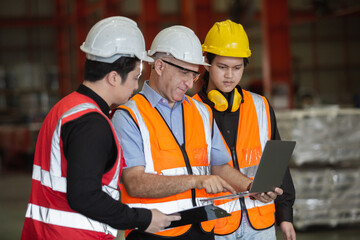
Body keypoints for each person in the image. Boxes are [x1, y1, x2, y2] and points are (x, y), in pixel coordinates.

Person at [111, 25, 283, 240]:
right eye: (183, 72)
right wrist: (196, 181)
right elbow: (134, 182)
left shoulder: (201, 112)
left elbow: (219, 166)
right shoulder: (129, 116)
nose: (189, 82)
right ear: (160, 66)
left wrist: (251, 186)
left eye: (193, 74)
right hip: (155, 231)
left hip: (202, 228)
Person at [20, 16, 180, 240]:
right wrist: (143, 219)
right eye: (135, 77)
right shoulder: (91, 123)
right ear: (114, 77)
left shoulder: (65, 107)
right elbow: (85, 196)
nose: (136, 86)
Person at [192, 20, 296, 240]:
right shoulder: (191, 110)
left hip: (261, 222)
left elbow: (277, 162)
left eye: (237, 68)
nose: (230, 75)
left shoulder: (260, 106)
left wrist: (285, 215)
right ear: (207, 64)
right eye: (222, 67)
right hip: (216, 224)